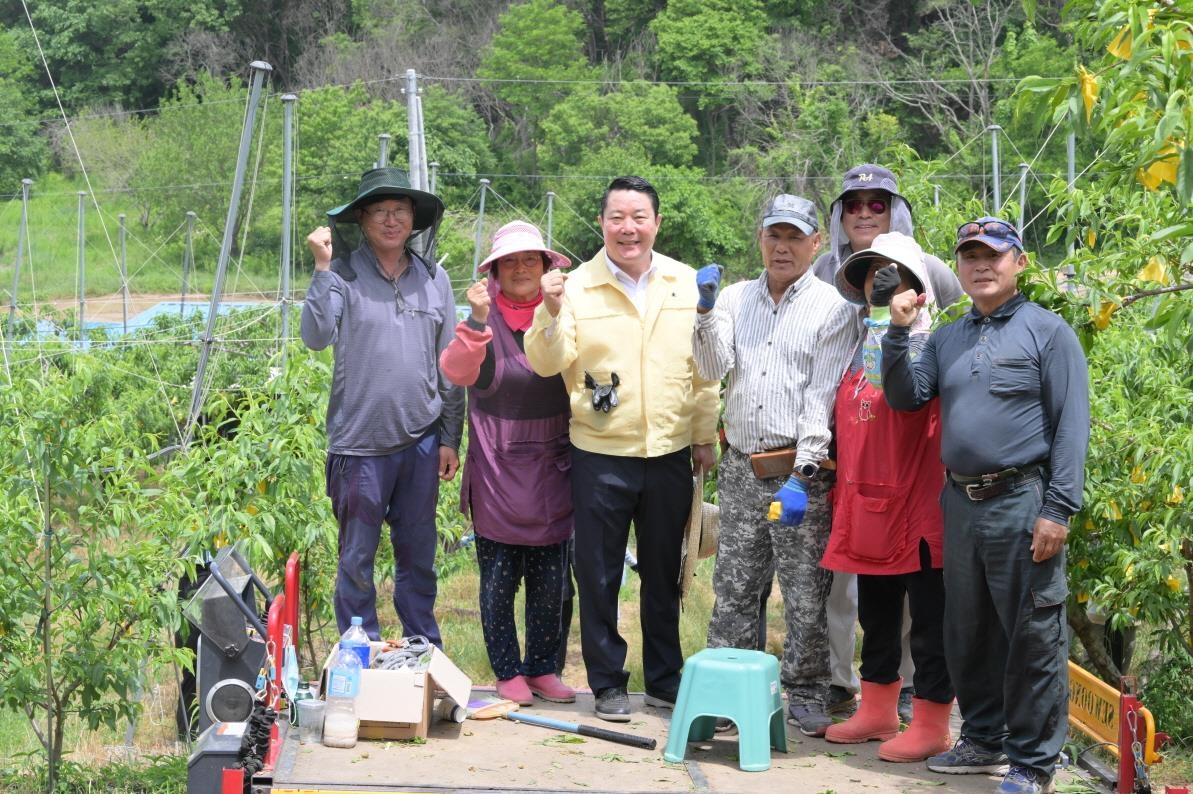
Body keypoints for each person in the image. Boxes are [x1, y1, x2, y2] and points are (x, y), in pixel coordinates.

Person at [881, 217, 1089, 794]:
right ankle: (982, 737)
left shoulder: (1048, 332)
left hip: (1022, 501)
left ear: (1019, 262)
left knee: (1032, 633)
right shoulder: (948, 336)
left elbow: (1072, 427)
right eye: (970, 255)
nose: (981, 265)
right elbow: (905, 397)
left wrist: (1058, 509)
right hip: (962, 503)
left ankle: (1032, 761)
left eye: (993, 255)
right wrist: (898, 334)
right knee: (966, 629)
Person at [524, 175, 718, 723]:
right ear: (602, 223)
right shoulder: (575, 286)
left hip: (669, 453)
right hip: (599, 452)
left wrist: (703, 435)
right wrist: (550, 309)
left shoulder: (684, 282)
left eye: (639, 217)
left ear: (657, 223)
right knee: (599, 573)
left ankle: (663, 679)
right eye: (616, 217)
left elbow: (704, 370)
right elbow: (545, 360)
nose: (627, 228)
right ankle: (607, 680)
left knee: (664, 571)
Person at [692, 194, 859, 737]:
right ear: (759, 239)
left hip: (797, 469)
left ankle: (806, 691)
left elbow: (822, 397)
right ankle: (726, 689)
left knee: (806, 589)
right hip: (741, 463)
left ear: (815, 243)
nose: (782, 247)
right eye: (773, 236)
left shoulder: (833, 308)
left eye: (794, 237)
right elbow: (712, 367)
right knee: (735, 585)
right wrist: (705, 311)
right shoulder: (737, 297)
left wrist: (804, 474)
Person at [812, 163, 963, 719]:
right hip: (857, 486)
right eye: (854, 204)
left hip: (918, 492)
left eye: (878, 204)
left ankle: (921, 708)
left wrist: (898, 324)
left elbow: (908, 393)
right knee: (864, 600)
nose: (865, 213)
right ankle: (861, 699)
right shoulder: (827, 279)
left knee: (921, 609)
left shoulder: (929, 330)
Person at [301, 167, 464, 646]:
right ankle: (360, 650)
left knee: (418, 557)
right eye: (379, 212)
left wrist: (451, 436)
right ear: (362, 219)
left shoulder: (435, 278)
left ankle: (422, 650)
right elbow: (315, 337)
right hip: (359, 445)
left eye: (400, 211)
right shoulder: (343, 274)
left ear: (413, 219)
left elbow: (451, 364)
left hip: (421, 440)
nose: (391, 221)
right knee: (356, 559)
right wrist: (321, 269)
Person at [439, 220, 576, 706]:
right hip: (497, 465)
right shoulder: (482, 318)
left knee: (551, 579)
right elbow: (455, 371)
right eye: (510, 262)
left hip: (554, 463)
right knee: (499, 581)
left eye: (530, 260)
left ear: (545, 267)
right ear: (494, 273)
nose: (521, 269)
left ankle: (543, 667)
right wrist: (476, 320)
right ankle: (507, 670)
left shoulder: (563, 311)